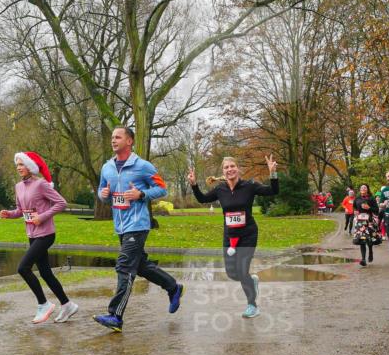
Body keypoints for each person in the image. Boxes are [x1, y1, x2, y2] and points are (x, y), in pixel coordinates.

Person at [93, 127, 184, 332]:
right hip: (120, 225)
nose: (113, 140)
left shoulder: (143, 166)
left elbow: (162, 189)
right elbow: (101, 191)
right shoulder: (107, 167)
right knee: (140, 266)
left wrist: (141, 194)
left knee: (124, 266)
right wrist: (103, 194)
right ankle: (173, 287)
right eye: (112, 137)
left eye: (118, 137)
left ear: (129, 141)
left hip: (138, 225)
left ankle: (115, 316)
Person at [188, 155, 279, 318]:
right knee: (231, 273)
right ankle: (252, 281)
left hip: (248, 234)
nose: (229, 169)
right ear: (223, 171)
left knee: (242, 271)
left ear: (238, 168)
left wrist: (273, 173)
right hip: (229, 236)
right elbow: (202, 198)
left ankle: (252, 305)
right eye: (226, 167)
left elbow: (273, 191)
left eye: (232, 166)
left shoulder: (249, 186)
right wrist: (194, 184)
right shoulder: (220, 189)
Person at [0, 151, 78, 324]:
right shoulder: (18, 187)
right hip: (32, 235)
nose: (19, 168)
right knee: (45, 273)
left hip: (46, 234)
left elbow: (61, 203)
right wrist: (9, 214)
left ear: (30, 166)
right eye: (17, 165)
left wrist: (42, 217)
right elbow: (21, 211)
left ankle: (43, 304)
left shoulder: (41, 184)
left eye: (22, 164)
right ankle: (67, 305)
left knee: (23, 268)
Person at [351, 184, 380, 266]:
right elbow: (354, 207)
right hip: (360, 222)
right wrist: (355, 211)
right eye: (362, 187)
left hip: (369, 221)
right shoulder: (357, 198)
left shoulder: (371, 198)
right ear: (360, 190)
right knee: (362, 240)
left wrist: (369, 208)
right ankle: (363, 259)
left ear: (367, 189)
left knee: (369, 239)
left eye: (365, 187)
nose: (363, 188)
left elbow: (376, 210)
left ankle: (370, 251)